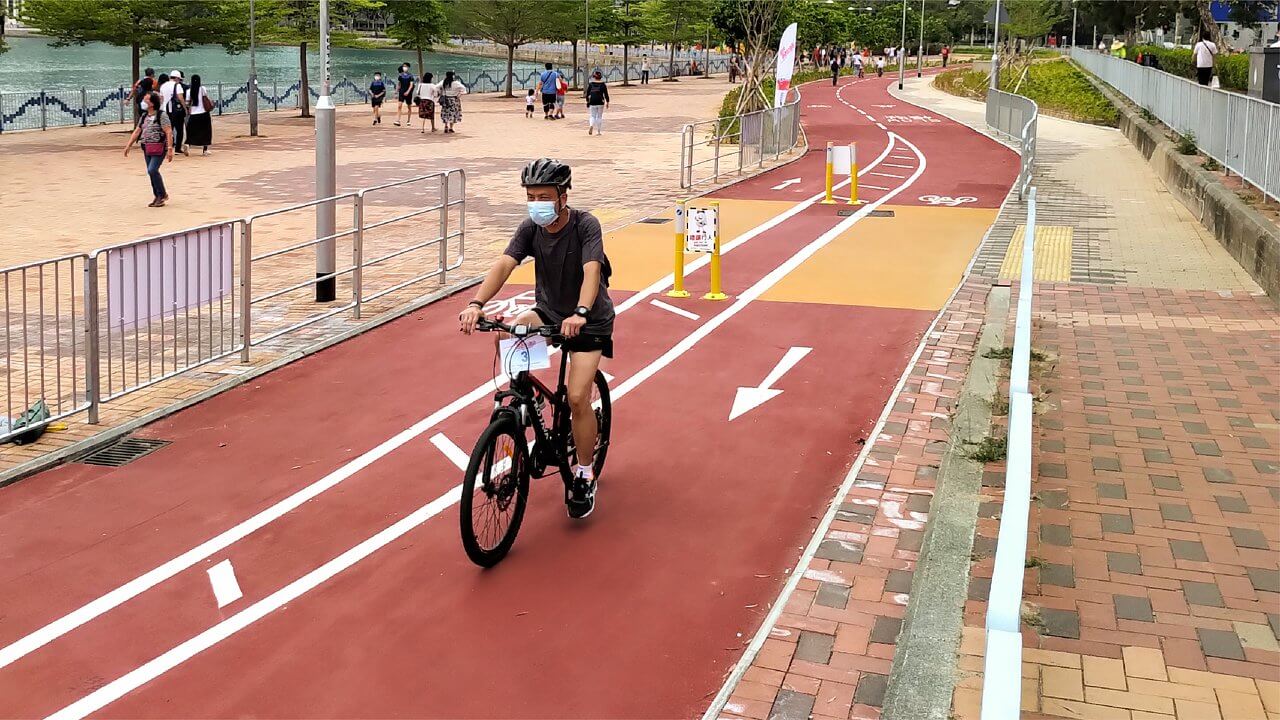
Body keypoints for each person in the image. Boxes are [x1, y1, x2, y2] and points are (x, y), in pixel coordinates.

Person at [458, 158, 614, 519]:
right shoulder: (531, 228)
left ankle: (583, 475)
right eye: (531, 196)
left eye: (543, 195)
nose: (536, 203)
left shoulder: (585, 225)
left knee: (576, 398)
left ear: (563, 195)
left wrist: (581, 313)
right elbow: (504, 264)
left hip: (588, 321)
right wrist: (476, 303)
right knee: (507, 331)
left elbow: (592, 272)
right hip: (548, 311)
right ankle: (527, 403)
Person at [124, 90, 174, 207]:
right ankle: (157, 195)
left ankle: (162, 194)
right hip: (147, 147)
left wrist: (170, 148)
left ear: (152, 103)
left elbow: (168, 131)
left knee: (152, 170)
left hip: (159, 147)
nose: (143, 102)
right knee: (150, 172)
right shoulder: (144, 116)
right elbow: (137, 131)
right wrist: (129, 145)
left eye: (145, 100)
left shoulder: (162, 115)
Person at [159, 70, 189, 156]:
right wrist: (185, 108)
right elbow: (180, 98)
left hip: (165, 111)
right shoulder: (177, 85)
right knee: (179, 130)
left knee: (167, 130)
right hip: (176, 112)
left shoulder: (163, 86)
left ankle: (165, 147)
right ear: (177, 78)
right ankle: (178, 148)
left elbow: (161, 99)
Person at [184, 74, 213, 156]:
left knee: (192, 131)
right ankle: (205, 150)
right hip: (204, 113)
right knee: (206, 131)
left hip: (193, 114)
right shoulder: (202, 89)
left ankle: (188, 144)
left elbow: (187, 103)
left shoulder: (189, 91)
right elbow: (205, 98)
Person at [584, 69, 609, 135]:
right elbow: (606, 94)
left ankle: (591, 125)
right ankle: (598, 131)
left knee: (592, 116)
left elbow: (587, 93)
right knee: (599, 116)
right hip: (600, 101)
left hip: (592, 101)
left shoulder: (591, 84)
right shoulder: (603, 84)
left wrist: (587, 101)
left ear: (594, 77)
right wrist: (607, 102)